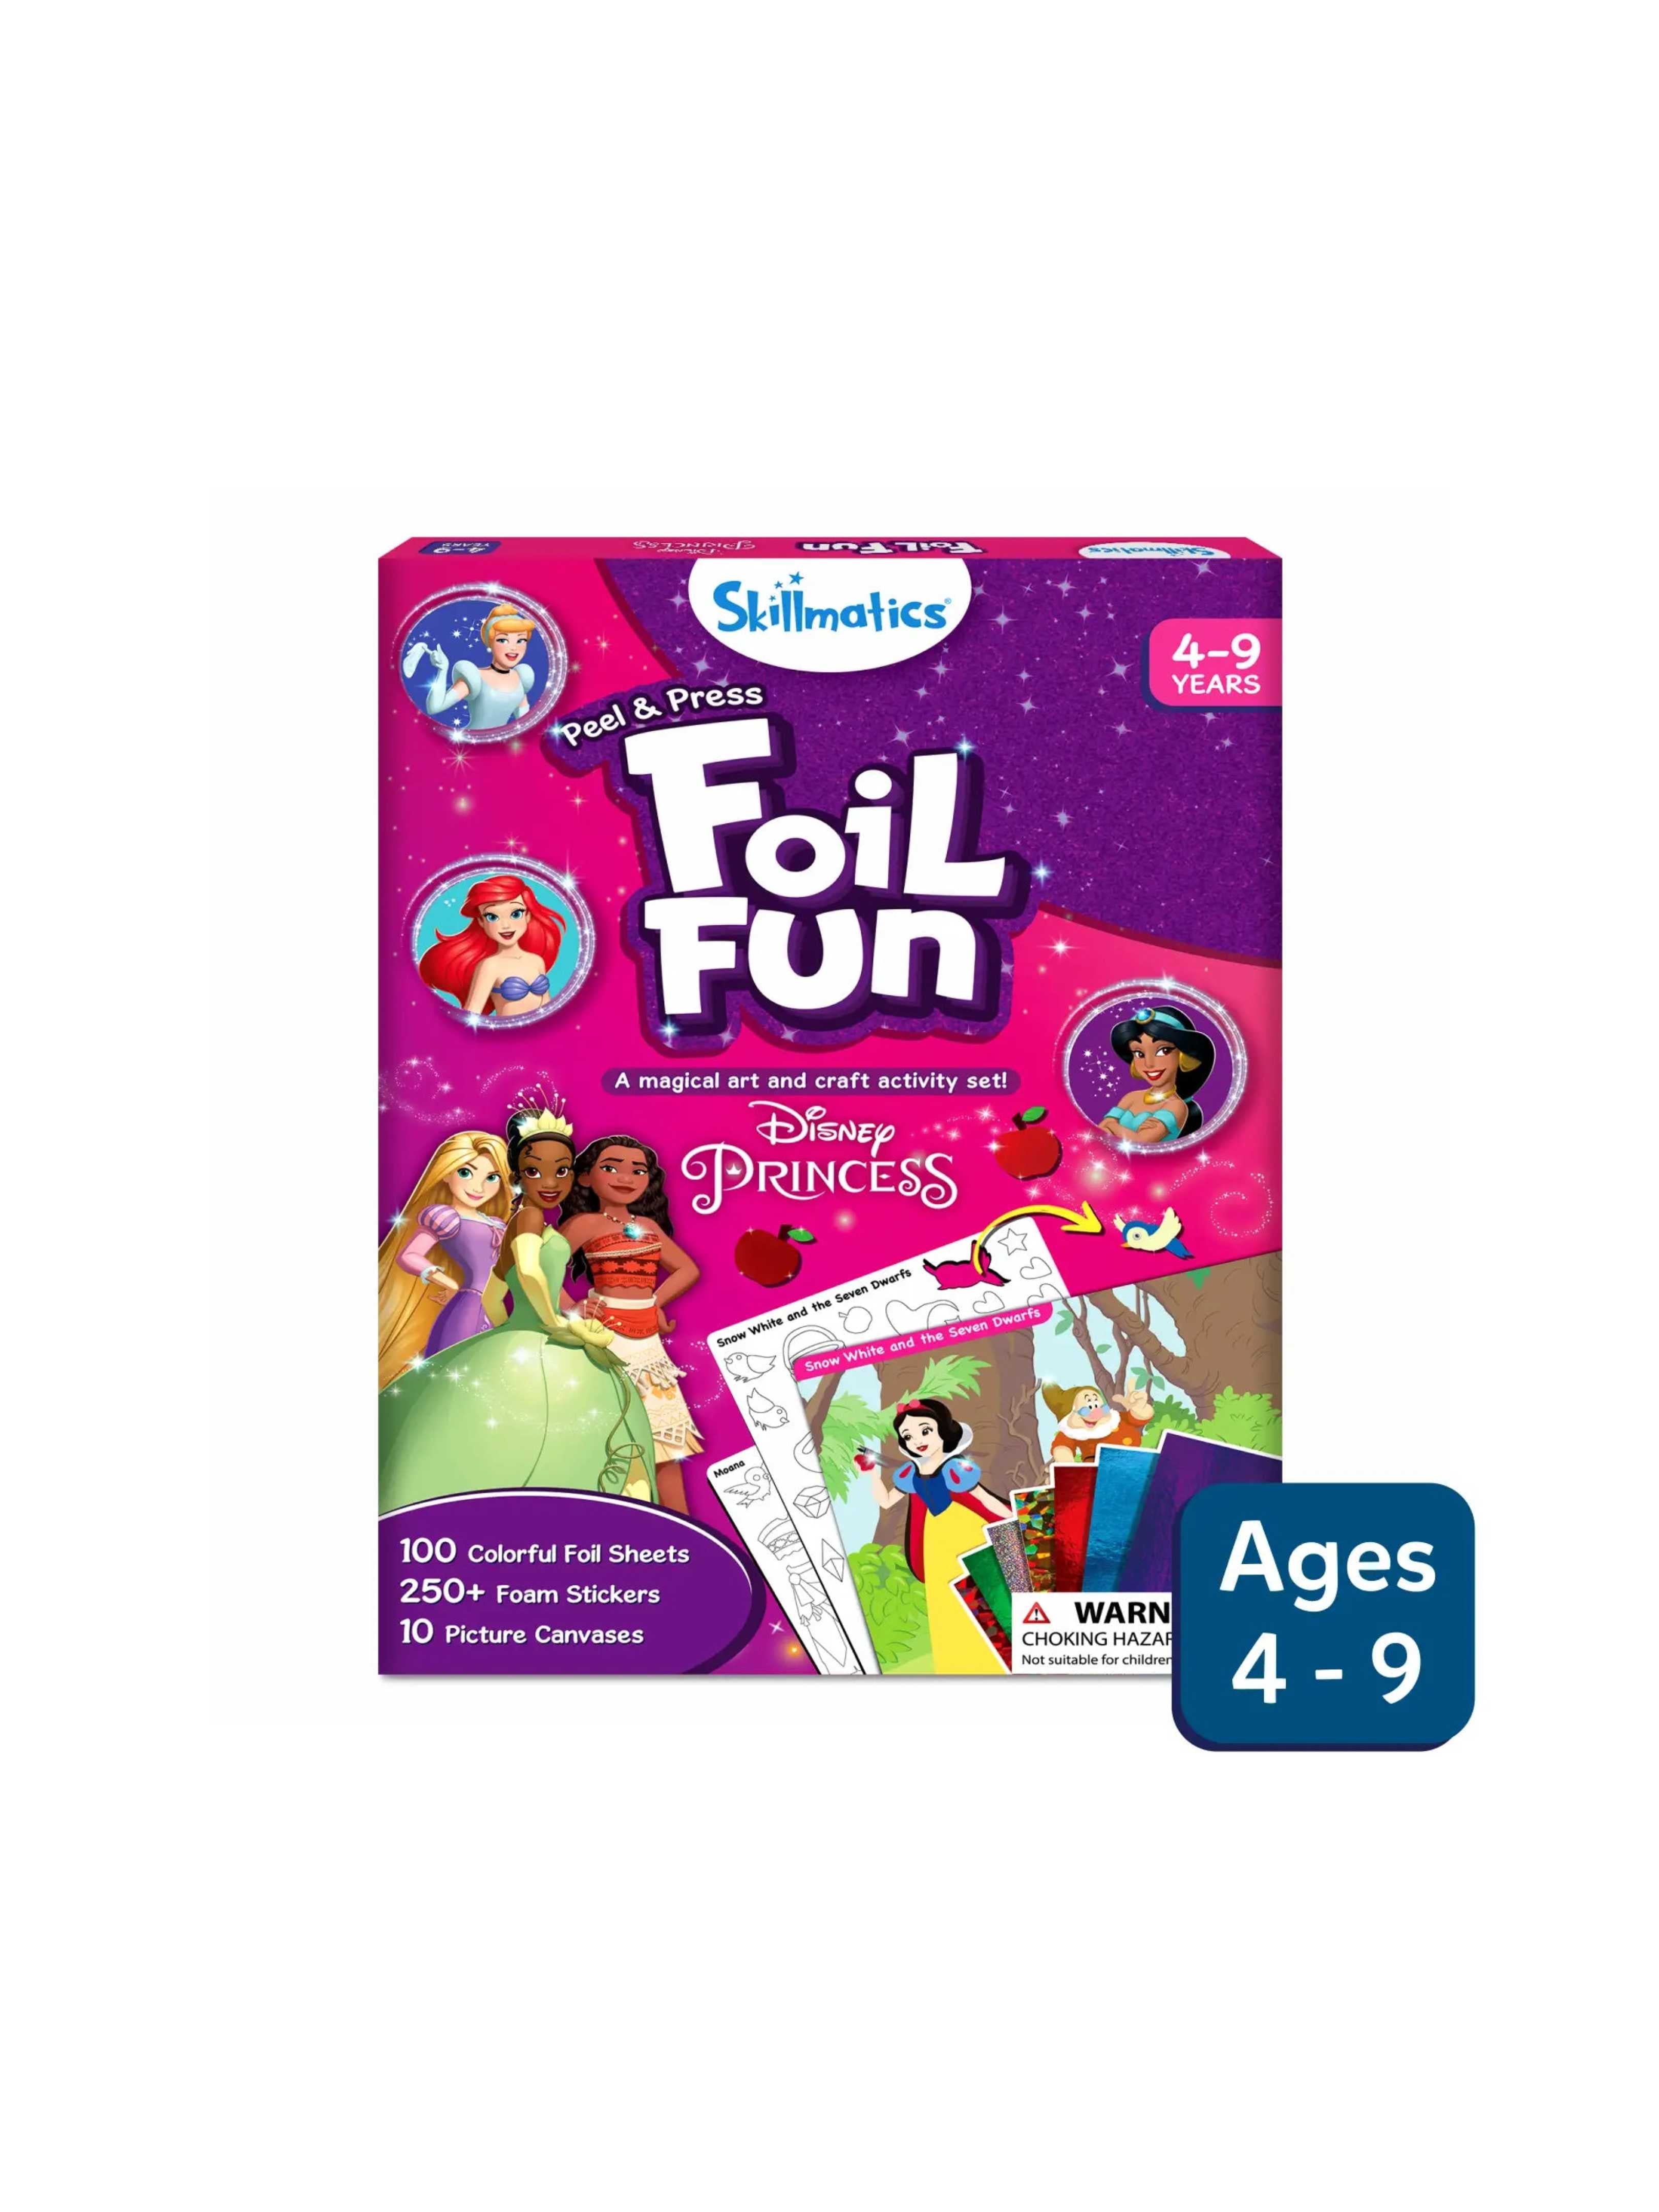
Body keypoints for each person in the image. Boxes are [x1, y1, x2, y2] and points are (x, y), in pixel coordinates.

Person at [561, 1134, 702, 1516]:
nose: (626, 1178)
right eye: (611, 1168)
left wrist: (655, 1302)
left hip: (648, 1344)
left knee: (666, 1439)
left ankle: (685, 1526)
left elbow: (688, 1269)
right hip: (603, 1338)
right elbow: (539, 1270)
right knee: (607, 1432)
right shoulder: (584, 1223)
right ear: (586, 1178)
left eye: (638, 1171)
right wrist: (571, 1308)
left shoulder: (649, 1226)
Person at [865, 1398, 1004, 1676]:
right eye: (908, 1436)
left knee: (983, 1593)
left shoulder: (956, 1469)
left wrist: (1015, 1520)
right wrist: (870, 1474)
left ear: (944, 1430)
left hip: (969, 1534)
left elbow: (985, 1500)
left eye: (925, 1431)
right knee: (946, 1600)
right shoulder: (910, 1474)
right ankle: (958, 1664)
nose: (918, 1440)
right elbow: (886, 1501)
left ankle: (996, 1659)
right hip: (936, 1543)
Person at [377, 1132, 512, 1391]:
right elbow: (409, 1256)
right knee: (454, 1380)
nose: (478, 1187)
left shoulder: (497, 1224)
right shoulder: (446, 1218)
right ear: (446, 1173)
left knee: (488, 1379)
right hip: (468, 1308)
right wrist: (448, 1282)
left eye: (492, 1178)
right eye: (466, 1173)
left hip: (497, 1309)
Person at [417, 873, 566, 1020]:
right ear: (481, 922)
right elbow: (472, 1014)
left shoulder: (537, 961)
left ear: (528, 916)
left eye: (516, 914)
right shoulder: (490, 966)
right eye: (492, 917)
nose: (506, 925)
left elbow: (547, 1005)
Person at [407, 602, 540, 731]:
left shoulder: (521, 678)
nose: (514, 648)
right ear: (490, 642)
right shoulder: (475, 678)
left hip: (501, 743)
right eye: (503, 640)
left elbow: (523, 723)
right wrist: (443, 670)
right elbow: (434, 708)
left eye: (521, 640)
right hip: (473, 742)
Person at [1099, 1003, 1216, 1145]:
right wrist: (1122, 1131)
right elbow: (1100, 1130)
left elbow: (1141, 1142)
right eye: (1139, 1053)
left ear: (1182, 1055)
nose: (1149, 1064)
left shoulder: (1176, 1106)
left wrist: (1112, 1126)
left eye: (1163, 1051)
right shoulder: (1131, 1097)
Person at [1041, 1379, 1155, 1462]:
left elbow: (1139, 1419)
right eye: (1086, 1410)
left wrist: (1139, 1407)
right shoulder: (1073, 1433)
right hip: (1100, 1470)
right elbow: (1062, 1448)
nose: (1097, 1413)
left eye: (1098, 1406)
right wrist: (1067, 1464)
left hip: (1135, 1463)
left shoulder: (1116, 1419)